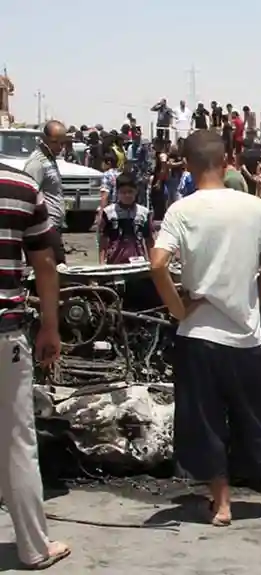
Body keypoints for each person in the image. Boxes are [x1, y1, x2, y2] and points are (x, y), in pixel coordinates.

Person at [150, 130, 261, 526]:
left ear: (187, 165)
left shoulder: (180, 211)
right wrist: (255, 300)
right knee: (255, 417)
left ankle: (222, 505)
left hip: (198, 336)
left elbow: (157, 264)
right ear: (227, 161)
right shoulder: (254, 207)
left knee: (208, 422)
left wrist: (179, 309)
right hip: (246, 336)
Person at [0, 163, 70, 569]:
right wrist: (50, 326)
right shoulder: (21, 186)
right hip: (4, 334)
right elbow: (45, 263)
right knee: (16, 443)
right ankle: (34, 547)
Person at [23, 120, 67, 265]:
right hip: (45, 228)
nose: (60, 147)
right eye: (55, 142)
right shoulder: (37, 162)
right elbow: (29, 194)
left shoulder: (50, 159)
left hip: (54, 226)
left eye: (62, 143)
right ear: (44, 139)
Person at [98, 172, 154, 265]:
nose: (127, 195)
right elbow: (103, 239)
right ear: (117, 193)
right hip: (114, 262)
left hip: (138, 261)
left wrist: (152, 261)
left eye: (130, 192)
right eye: (123, 192)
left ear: (136, 191)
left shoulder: (143, 213)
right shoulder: (109, 213)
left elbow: (149, 239)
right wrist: (101, 263)